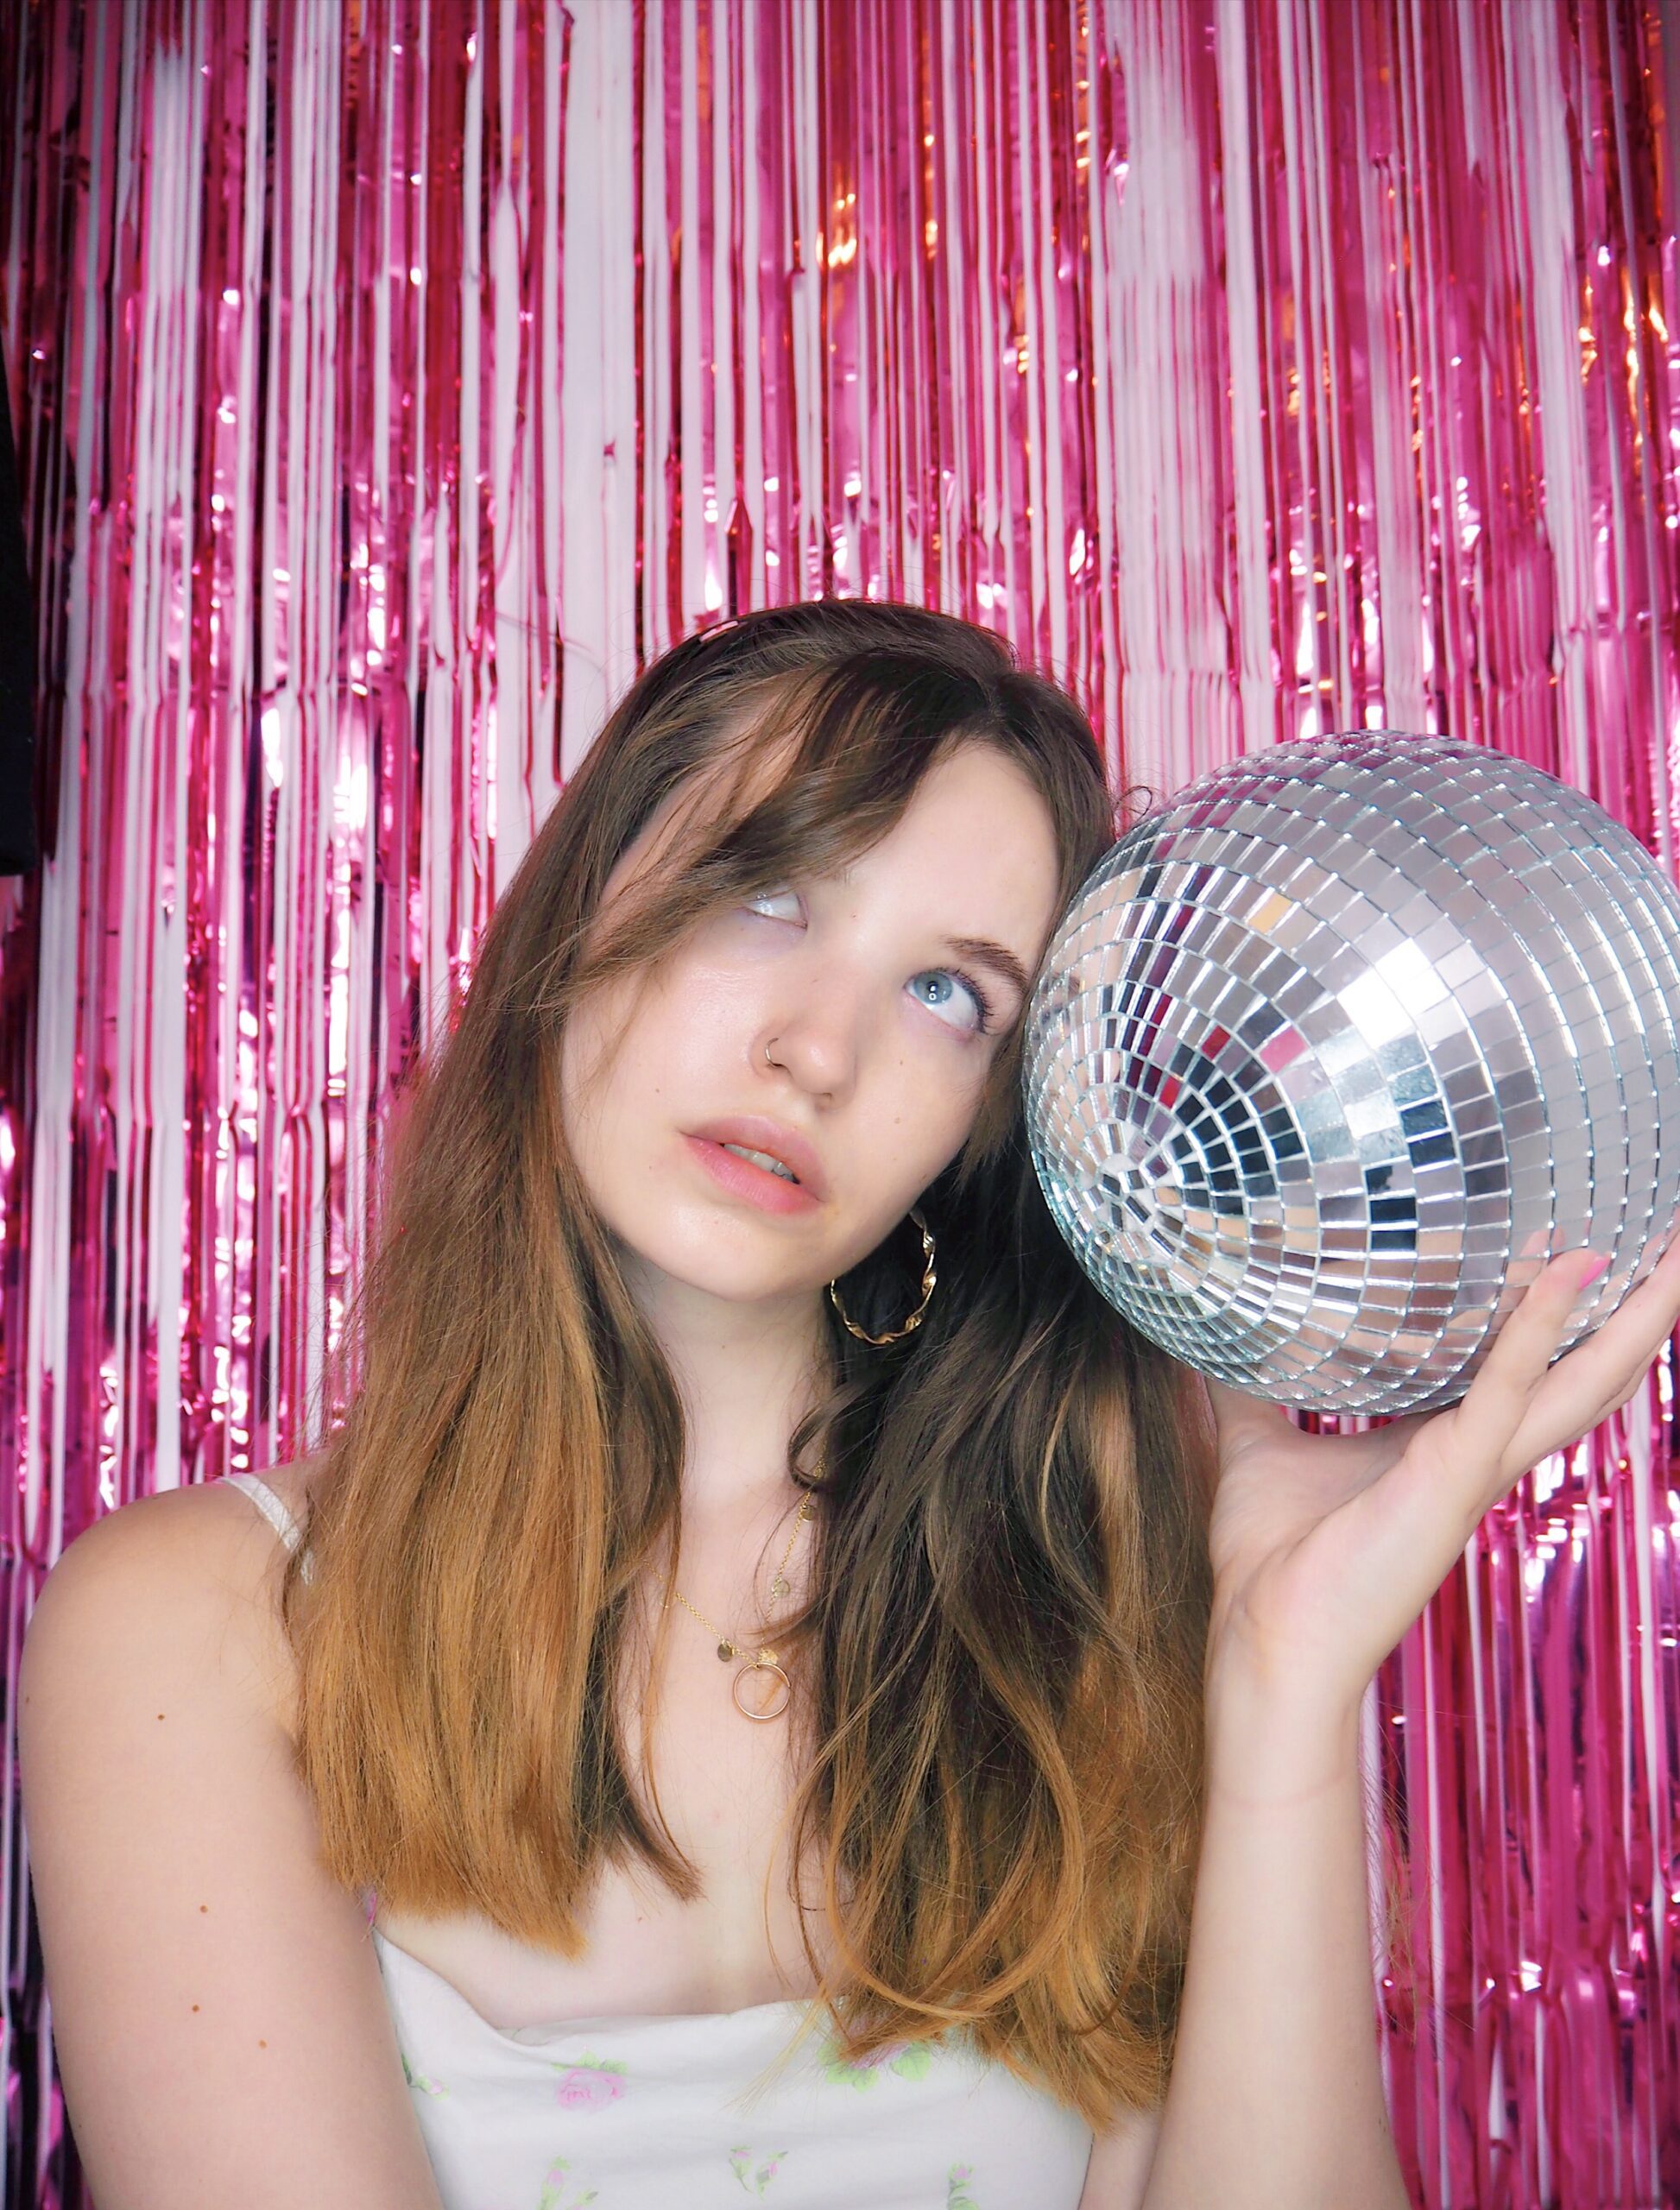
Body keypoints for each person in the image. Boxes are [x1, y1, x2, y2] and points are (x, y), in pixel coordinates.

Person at [21, 599, 1680, 2210]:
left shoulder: (1110, 1597)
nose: (821, 1054)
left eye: (949, 992)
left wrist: (1279, 1681)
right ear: (583, 909)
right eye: (768, 895)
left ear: (993, 1120)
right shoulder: (197, 1621)